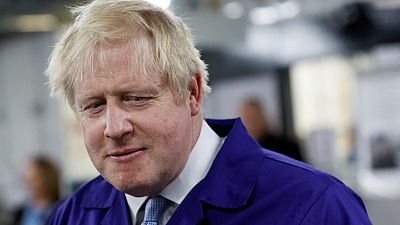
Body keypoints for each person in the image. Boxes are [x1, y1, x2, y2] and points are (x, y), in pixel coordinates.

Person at [45, 0, 372, 224]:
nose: (113, 127)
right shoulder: (75, 215)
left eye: (136, 98)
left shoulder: (313, 207)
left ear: (192, 92)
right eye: (94, 106)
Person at [239, 97, 305, 161]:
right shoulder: (237, 151)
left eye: (254, 117)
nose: (251, 122)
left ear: (263, 117)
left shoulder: (287, 147)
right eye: (247, 118)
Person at [13, 156, 61, 225]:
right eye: (27, 178)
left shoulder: (62, 209)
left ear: (48, 179)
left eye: (35, 178)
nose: (28, 184)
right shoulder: (21, 212)